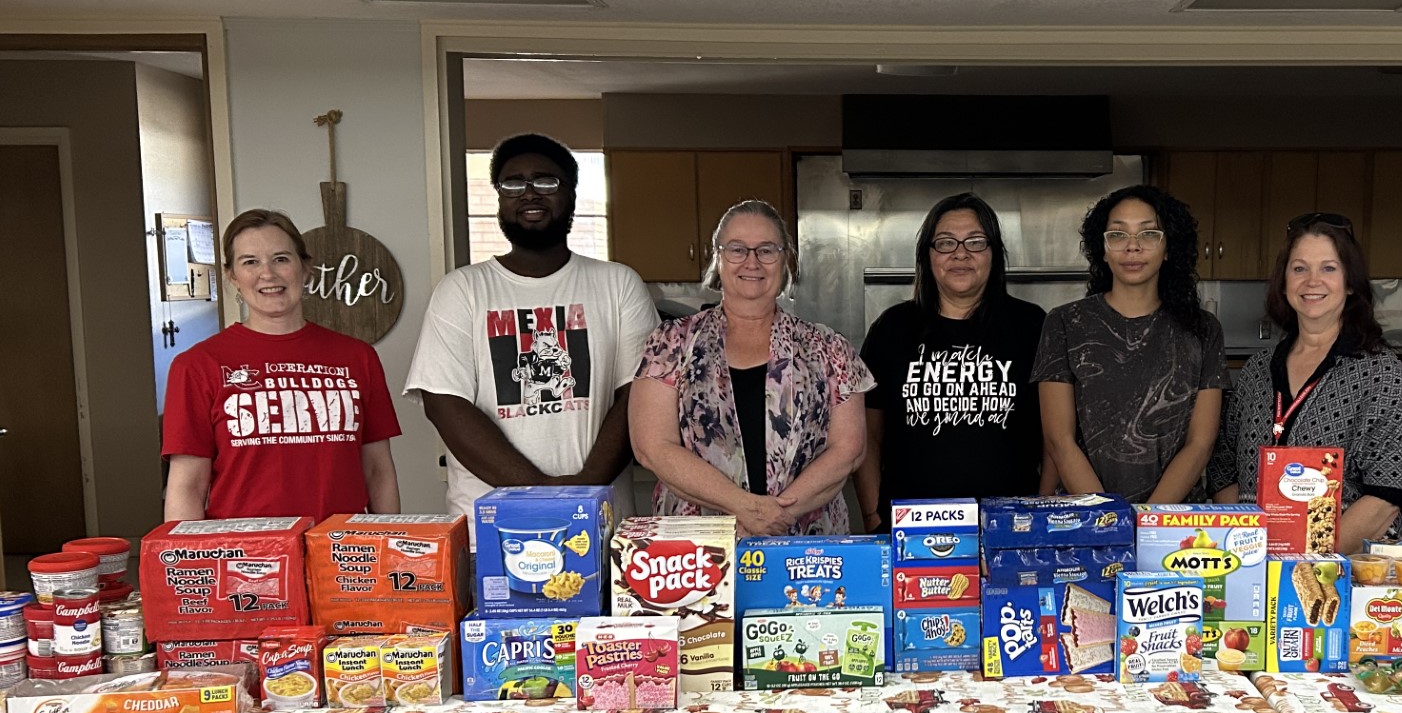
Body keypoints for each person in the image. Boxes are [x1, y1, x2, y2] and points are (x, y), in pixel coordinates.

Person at [405, 133, 658, 525]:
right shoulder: (461, 289)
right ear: (499, 198)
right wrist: (544, 495)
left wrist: (583, 494)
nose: (529, 193)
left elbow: (639, 397)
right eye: (513, 183)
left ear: (571, 195)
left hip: (601, 523)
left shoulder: (619, 284)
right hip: (489, 528)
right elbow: (446, 405)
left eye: (546, 181)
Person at [632, 200, 871, 535]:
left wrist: (776, 515)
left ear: (785, 258)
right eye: (737, 249)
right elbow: (652, 446)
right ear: (718, 257)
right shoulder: (672, 342)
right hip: (697, 552)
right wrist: (747, 508)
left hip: (806, 545)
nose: (752, 262)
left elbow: (848, 450)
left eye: (767, 250)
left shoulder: (829, 347)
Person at [162, 209, 401, 520]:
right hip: (244, 556)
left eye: (281, 259)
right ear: (232, 276)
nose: (268, 274)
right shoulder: (197, 365)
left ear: (304, 269)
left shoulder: (357, 358)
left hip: (341, 552)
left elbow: (377, 471)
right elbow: (188, 485)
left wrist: (388, 546)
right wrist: (190, 565)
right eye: (250, 262)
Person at [1208, 213, 1402, 548]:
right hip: (1256, 564)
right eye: (1299, 268)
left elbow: (1386, 493)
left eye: (1328, 268)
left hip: (1345, 572)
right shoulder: (1257, 370)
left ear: (1350, 282)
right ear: (1284, 282)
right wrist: (1250, 548)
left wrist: (1305, 562)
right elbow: (1223, 469)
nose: (1312, 281)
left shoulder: (1382, 373)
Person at [855, 194, 1050, 530]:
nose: (961, 253)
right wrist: (874, 516)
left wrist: (1041, 512)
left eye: (975, 242)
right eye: (945, 243)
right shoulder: (892, 328)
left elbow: (1055, 437)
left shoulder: (1031, 326)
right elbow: (866, 435)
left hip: (1011, 526)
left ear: (994, 253)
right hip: (910, 528)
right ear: (927, 256)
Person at [1034, 185, 1225, 502]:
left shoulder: (1203, 329)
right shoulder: (1064, 323)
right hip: (1086, 517)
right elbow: (1059, 440)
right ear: (1103, 249)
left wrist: (1148, 519)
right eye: (1118, 235)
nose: (1132, 247)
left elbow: (1200, 443)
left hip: (1172, 524)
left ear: (1168, 249)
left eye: (1149, 234)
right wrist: (1112, 520)